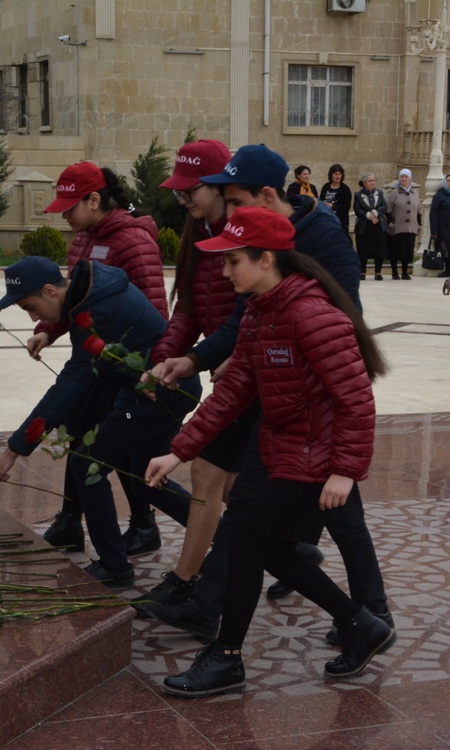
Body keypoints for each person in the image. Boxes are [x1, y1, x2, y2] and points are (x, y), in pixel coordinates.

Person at [145, 144, 390, 646]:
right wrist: (199, 363)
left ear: (266, 196)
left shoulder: (320, 247)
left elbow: (345, 341)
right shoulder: (259, 294)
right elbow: (241, 330)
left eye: (236, 204)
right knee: (262, 526)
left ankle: (365, 616)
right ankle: (356, 617)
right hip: (280, 404)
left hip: (313, 411)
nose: (228, 215)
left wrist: (345, 464)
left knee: (306, 520)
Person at [0, 256, 202, 587]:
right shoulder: (91, 292)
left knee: (88, 467)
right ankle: (224, 534)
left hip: (160, 393)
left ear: (49, 291)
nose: (33, 317)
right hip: (157, 389)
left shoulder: (96, 311)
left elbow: (69, 386)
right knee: (147, 476)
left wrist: (13, 451)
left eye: (31, 306)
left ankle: (115, 566)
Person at [136, 138, 255, 608]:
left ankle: (186, 582)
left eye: (191, 191)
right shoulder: (196, 231)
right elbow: (187, 307)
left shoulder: (242, 232)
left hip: (242, 368)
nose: (182, 200)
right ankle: (286, 547)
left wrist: (206, 357)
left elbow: (246, 312)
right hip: (218, 364)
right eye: (178, 193)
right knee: (231, 480)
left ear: (219, 186)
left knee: (207, 470)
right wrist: (165, 357)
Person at [30, 161, 170, 555]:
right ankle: (70, 521)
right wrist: (47, 329)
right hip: (90, 360)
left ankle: (144, 526)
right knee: (78, 436)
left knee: (112, 448)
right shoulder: (81, 240)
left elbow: (156, 313)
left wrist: (152, 372)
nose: (64, 216)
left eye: (69, 207)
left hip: (126, 366)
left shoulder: (134, 242)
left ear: (95, 200)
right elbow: (74, 302)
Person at [386, 168, 421, 280]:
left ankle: (405, 272)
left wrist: (419, 225)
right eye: (402, 176)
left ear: (410, 179)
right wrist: (391, 223)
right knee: (396, 250)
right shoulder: (394, 193)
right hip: (397, 226)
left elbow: (419, 211)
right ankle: (395, 272)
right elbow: (388, 210)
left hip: (411, 227)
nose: (404, 179)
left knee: (407, 250)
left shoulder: (414, 193)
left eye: (406, 177)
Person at [353, 172, 388, 280]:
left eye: (373, 180)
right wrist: (369, 216)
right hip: (364, 226)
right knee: (363, 250)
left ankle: (378, 272)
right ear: (364, 183)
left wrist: (376, 214)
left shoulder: (380, 193)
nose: (372, 182)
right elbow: (357, 209)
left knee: (379, 249)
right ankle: (362, 272)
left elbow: (384, 206)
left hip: (378, 225)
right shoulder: (358, 195)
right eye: (370, 181)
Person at [318, 163, 353, 234]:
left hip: (340, 222)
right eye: (335, 174)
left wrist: (332, 206)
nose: (338, 176)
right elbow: (321, 201)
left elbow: (346, 207)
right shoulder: (325, 186)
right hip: (326, 220)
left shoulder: (345, 189)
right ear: (331, 175)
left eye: (339, 174)